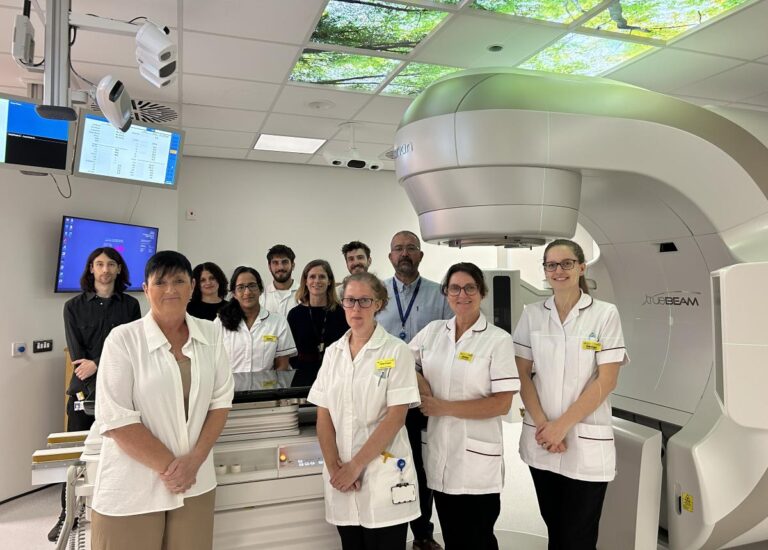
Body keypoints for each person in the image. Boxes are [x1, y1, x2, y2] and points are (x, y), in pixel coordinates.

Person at [91, 250, 234, 550]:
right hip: (134, 483)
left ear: (192, 286)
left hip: (195, 481)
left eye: (179, 281)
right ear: (145, 289)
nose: (170, 290)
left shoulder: (211, 333)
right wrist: (175, 469)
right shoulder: (123, 339)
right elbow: (117, 420)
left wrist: (193, 464)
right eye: (160, 282)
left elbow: (220, 403)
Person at [512, 239, 628, 550]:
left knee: (579, 534)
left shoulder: (604, 314)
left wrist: (561, 426)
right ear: (545, 271)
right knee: (555, 526)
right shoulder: (533, 314)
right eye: (551, 265)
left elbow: (608, 379)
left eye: (566, 263)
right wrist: (544, 425)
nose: (558, 270)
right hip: (542, 437)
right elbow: (522, 373)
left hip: (584, 439)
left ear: (580, 267)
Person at [308, 272, 421, 550]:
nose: (356, 308)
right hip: (341, 477)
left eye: (364, 300)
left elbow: (395, 418)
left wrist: (355, 467)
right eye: (349, 300)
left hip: (381, 475)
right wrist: (335, 466)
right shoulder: (333, 353)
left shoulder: (396, 352)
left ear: (379, 303)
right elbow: (323, 416)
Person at [410, 263, 518, 550]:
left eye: (470, 287)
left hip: (477, 463)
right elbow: (404, 363)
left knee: (479, 539)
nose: (462, 294)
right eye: (455, 288)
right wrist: (423, 388)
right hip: (441, 456)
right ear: (446, 293)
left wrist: (442, 406)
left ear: (481, 292)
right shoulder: (433, 332)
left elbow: (502, 404)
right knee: (453, 537)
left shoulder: (498, 340)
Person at [50, 247, 141, 542]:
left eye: (110, 264)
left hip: (121, 389)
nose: (104, 269)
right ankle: (68, 513)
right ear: (91, 269)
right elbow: (78, 360)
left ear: (118, 269)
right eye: (99, 264)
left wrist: (99, 363)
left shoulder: (130, 306)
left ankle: (119, 508)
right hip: (84, 391)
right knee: (76, 455)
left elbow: (132, 351)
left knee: (122, 451)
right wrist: (92, 370)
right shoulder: (73, 307)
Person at [377, 230, 449, 550]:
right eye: (398, 249)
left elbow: (449, 343)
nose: (404, 253)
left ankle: (422, 533)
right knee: (385, 460)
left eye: (410, 248)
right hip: (384, 394)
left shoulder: (440, 294)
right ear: (390, 256)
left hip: (424, 394)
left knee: (422, 464)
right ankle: (385, 529)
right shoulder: (377, 295)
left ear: (420, 255)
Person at [215, 266, 296, 373]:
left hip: (267, 388)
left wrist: (272, 388)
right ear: (234, 293)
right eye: (241, 287)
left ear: (260, 289)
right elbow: (213, 361)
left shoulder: (278, 322)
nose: (247, 292)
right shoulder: (220, 322)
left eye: (252, 286)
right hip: (231, 388)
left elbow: (282, 365)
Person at [287, 259, 348, 387]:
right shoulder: (295, 314)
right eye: (312, 277)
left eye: (322, 277)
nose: (317, 281)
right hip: (302, 378)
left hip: (335, 378)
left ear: (329, 281)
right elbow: (291, 353)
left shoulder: (341, 313)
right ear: (306, 281)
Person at [260, 244, 300, 318]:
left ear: (293, 265)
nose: (280, 267)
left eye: (285, 262)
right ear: (269, 267)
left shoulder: (304, 294)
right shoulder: (261, 296)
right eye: (275, 263)